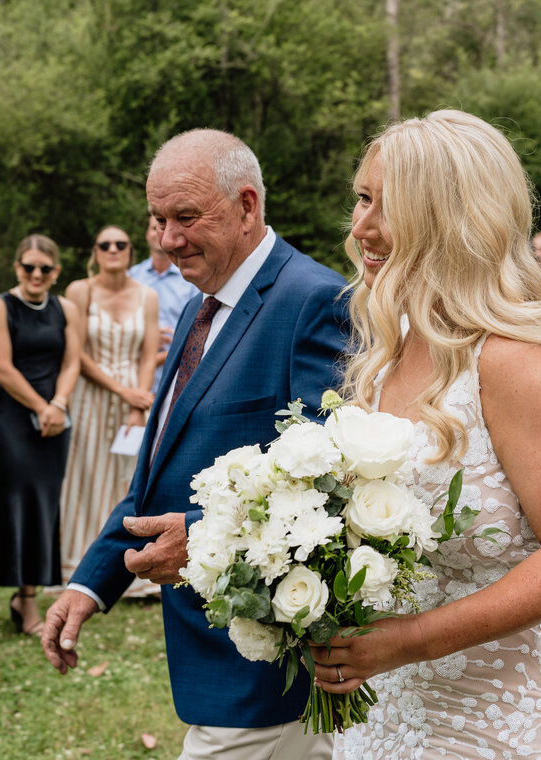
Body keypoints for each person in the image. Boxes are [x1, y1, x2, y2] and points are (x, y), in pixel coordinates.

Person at [41, 129, 350, 760]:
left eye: (186, 217)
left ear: (247, 207)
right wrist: (90, 585)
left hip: (269, 661)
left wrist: (201, 536)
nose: (167, 238)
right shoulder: (197, 305)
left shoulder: (313, 300)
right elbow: (157, 472)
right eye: (157, 219)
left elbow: (327, 488)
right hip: (212, 653)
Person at [316, 111, 541, 760]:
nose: (360, 226)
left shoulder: (511, 360)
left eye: (387, 207)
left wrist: (410, 639)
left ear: (448, 219)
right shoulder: (386, 347)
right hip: (381, 695)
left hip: (488, 707)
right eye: (362, 198)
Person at [0, 235, 81, 646]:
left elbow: (71, 362)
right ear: (17, 267)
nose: (36, 275)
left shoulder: (66, 308)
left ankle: (26, 598)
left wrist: (59, 403)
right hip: (10, 419)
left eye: (44, 269)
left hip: (55, 416)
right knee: (3, 504)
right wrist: (40, 407)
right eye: (28, 267)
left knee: (43, 506)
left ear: (56, 271)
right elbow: (1, 366)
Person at [59, 226, 159, 593]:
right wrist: (122, 391)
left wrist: (139, 401)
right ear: (95, 252)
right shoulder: (79, 291)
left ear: (131, 251)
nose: (113, 250)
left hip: (133, 399)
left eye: (121, 244)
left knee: (126, 480)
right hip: (90, 396)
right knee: (84, 477)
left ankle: (128, 572)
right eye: (105, 245)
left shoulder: (147, 296)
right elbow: (76, 354)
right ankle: (78, 566)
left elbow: (149, 355)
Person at [127, 216, 198, 393]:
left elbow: (199, 328)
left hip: (179, 374)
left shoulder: (191, 279)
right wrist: (146, 337)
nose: (161, 233)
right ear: (146, 235)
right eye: (155, 228)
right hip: (134, 378)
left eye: (167, 228)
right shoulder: (132, 276)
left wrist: (162, 356)